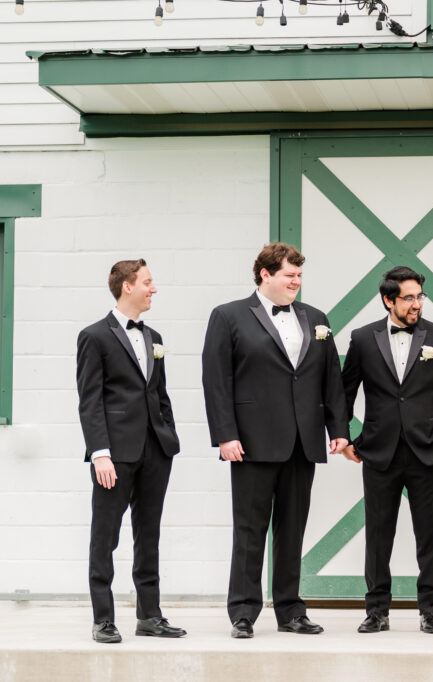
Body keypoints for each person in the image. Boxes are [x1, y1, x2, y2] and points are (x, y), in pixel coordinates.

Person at [201, 243, 349, 639]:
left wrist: (338, 429)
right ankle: (243, 612)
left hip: (303, 441)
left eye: (299, 275)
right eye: (289, 275)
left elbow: (330, 376)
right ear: (265, 274)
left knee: (292, 530)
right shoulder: (228, 316)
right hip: (251, 442)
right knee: (249, 531)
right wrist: (225, 435)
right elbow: (216, 380)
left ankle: (291, 611)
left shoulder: (316, 318)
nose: (296, 282)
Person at [340, 266, 433, 635]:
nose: (417, 304)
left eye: (419, 297)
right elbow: (345, 392)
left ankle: (430, 610)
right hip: (379, 452)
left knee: (430, 536)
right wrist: (346, 437)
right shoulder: (363, 338)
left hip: (428, 452)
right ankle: (376, 610)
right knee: (378, 536)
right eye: (408, 298)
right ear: (388, 300)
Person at [76, 259, 185, 643]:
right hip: (115, 454)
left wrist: (168, 437)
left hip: (156, 450)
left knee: (149, 534)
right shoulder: (94, 336)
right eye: (147, 282)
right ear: (127, 286)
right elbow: (90, 400)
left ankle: (149, 616)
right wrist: (100, 453)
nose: (153, 289)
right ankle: (103, 619)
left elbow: (159, 393)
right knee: (105, 536)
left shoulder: (154, 337)